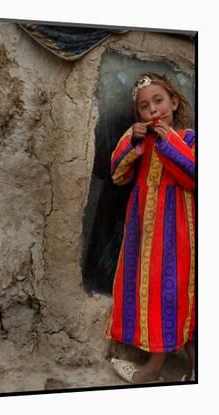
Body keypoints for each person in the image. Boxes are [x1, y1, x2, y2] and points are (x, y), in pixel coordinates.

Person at [107, 73, 195, 383]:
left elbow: (194, 174)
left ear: (173, 101)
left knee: (173, 292)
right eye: (144, 107)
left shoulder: (189, 139)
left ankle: (156, 371)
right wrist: (133, 141)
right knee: (153, 292)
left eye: (158, 101)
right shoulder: (141, 142)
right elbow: (117, 174)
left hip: (178, 233)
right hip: (143, 233)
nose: (153, 110)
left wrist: (167, 138)